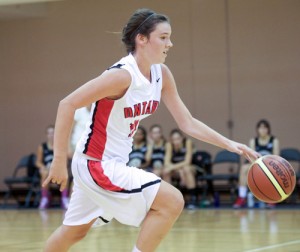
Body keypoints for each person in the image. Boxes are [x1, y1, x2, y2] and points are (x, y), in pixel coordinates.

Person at [43, 8, 259, 252]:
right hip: (96, 165)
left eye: (170, 37)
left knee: (72, 233)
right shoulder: (122, 76)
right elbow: (67, 104)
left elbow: (187, 122)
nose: (170, 43)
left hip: (109, 164)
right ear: (142, 39)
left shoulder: (161, 75)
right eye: (164, 37)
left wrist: (231, 144)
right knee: (172, 201)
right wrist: (58, 160)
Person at [233, 119, 279, 208]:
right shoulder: (253, 140)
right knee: (243, 168)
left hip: (270, 163)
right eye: (261, 128)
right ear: (257, 129)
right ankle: (242, 197)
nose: (263, 130)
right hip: (256, 162)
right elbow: (251, 157)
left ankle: (273, 197)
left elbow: (276, 157)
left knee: (274, 170)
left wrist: (266, 165)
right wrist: (259, 165)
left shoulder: (274, 140)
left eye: (265, 128)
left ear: (268, 129)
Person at [35, 125, 69, 210]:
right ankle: (44, 198)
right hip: (47, 169)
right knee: (44, 172)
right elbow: (38, 162)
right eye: (49, 133)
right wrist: (42, 167)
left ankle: (64, 198)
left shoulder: (61, 146)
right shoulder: (42, 147)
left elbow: (65, 159)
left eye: (53, 133)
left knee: (66, 173)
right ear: (46, 135)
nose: (51, 135)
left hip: (58, 169)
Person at [164, 129, 197, 208]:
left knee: (186, 169)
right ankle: (169, 199)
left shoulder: (188, 142)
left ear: (182, 138)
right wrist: (179, 170)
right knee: (165, 171)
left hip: (191, 167)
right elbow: (166, 163)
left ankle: (193, 199)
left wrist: (176, 168)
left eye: (178, 139)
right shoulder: (169, 145)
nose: (176, 141)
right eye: (174, 139)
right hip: (177, 169)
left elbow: (187, 162)